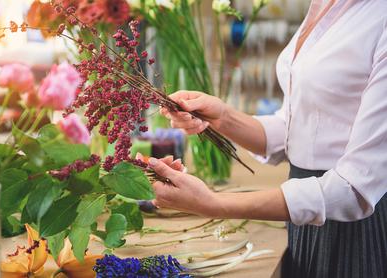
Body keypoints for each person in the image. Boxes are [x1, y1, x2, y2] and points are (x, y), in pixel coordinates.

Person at [146, 0, 387, 277]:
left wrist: (211, 203)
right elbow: (297, 128)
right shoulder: (324, 5)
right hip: (305, 220)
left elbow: (354, 190)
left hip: (354, 231)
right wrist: (222, 117)